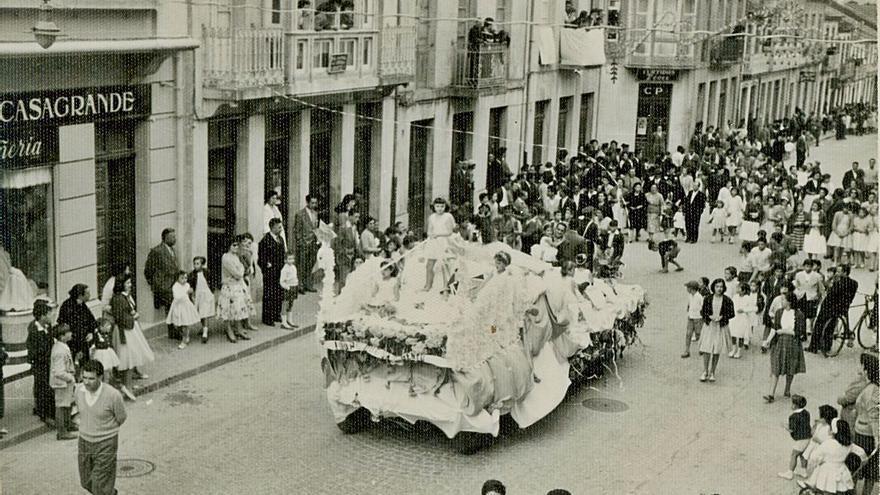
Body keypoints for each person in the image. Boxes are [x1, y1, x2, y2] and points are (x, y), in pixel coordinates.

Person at [75, 360, 126, 495]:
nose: (86, 382)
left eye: (91, 378)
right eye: (84, 377)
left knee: (98, 484)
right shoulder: (79, 391)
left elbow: (121, 417)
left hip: (106, 443)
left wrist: (106, 430)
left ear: (100, 377)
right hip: (84, 441)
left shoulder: (113, 395)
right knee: (86, 481)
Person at [109, 276, 155, 401]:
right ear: (122, 284)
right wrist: (133, 318)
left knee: (130, 358)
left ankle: (127, 385)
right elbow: (120, 317)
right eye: (128, 282)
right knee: (128, 359)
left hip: (130, 330)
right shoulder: (119, 298)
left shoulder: (124, 296)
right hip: (125, 331)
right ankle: (127, 387)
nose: (130, 284)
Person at [762, 292, 807, 403]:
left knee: (790, 367)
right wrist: (767, 340)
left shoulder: (799, 314)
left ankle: (787, 388)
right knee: (776, 367)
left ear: (789, 302)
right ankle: (771, 393)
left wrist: (785, 331)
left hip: (793, 343)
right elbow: (775, 328)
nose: (781, 302)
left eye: (783, 300)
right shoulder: (779, 312)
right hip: (780, 342)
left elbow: (800, 333)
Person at [808, 264, 858, 355]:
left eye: (839, 271)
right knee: (830, 327)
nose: (837, 273)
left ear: (845, 273)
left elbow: (830, 295)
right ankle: (827, 346)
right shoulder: (854, 283)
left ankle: (813, 347)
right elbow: (850, 298)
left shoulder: (837, 283)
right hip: (842, 308)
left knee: (819, 324)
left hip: (830, 307)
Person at [144, 228, 182, 340]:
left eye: (175, 236)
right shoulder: (157, 251)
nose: (174, 239)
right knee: (171, 307)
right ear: (165, 238)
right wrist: (156, 284)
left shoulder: (172, 250)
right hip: (165, 287)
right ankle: (173, 330)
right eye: (172, 237)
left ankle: (175, 330)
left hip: (174, 285)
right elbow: (148, 270)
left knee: (177, 306)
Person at [802, 418, 857, 492]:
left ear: (833, 431)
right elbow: (861, 452)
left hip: (827, 472)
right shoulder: (849, 444)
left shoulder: (828, 443)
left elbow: (814, 457)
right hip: (842, 470)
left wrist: (811, 468)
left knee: (826, 489)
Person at [216, 236, 254, 343]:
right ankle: (229, 331)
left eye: (237, 245)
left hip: (237, 286)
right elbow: (238, 273)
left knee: (238, 308)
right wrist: (240, 270)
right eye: (234, 245)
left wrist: (241, 270)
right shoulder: (226, 257)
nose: (236, 247)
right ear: (228, 246)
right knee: (227, 309)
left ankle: (239, 330)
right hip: (229, 287)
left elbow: (242, 269)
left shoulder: (235, 257)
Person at [852, 353, 879, 495]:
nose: (858, 367)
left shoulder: (872, 391)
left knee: (860, 469)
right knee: (867, 471)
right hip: (862, 432)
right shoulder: (868, 386)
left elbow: (874, 417)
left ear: (866, 370)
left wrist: (877, 439)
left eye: (861, 365)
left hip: (866, 436)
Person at [699, 278, 735, 382]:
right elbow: (703, 311)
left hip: (720, 327)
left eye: (721, 287)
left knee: (716, 350)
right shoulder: (708, 298)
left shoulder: (727, 300)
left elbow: (732, 313)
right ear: (713, 287)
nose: (719, 289)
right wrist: (709, 316)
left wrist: (722, 317)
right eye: (717, 286)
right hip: (709, 327)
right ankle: (705, 371)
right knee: (706, 348)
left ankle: (712, 372)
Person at [26, 299, 55, 426]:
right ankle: (44, 414)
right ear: (42, 316)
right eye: (49, 314)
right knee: (42, 387)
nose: (51, 316)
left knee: (48, 388)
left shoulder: (47, 326)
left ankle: (48, 411)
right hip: (41, 364)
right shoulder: (34, 330)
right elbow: (35, 350)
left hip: (48, 362)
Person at [56, 283, 98, 369]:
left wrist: (91, 332)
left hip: (83, 340)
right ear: (80, 295)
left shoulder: (82, 304)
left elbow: (91, 320)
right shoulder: (67, 307)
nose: (89, 295)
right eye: (87, 293)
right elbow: (69, 327)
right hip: (73, 342)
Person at [50, 324, 77, 440]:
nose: (70, 333)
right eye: (68, 332)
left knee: (67, 404)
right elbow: (59, 372)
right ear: (62, 336)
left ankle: (68, 425)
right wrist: (70, 377)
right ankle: (62, 432)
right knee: (61, 406)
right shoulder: (59, 351)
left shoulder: (62, 346)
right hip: (62, 383)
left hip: (65, 382)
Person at [423, 198, 456, 292]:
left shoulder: (448, 216)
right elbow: (429, 230)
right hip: (433, 242)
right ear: (434, 207)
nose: (440, 208)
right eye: (437, 206)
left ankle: (446, 286)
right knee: (429, 265)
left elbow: (449, 232)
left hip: (444, 241)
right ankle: (428, 285)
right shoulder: (432, 217)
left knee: (444, 265)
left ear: (445, 206)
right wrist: (431, 235)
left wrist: (438, 234)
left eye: (442, 206)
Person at [259, 218, 287, 327]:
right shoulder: (265, 240)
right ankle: (267, 317)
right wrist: (267, 266)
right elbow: (261, 258)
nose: (281, 229)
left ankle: (276, 314)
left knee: (278, 293)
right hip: (270, 273)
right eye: (279, 227)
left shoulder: (280, 239)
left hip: (279, 271)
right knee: (269, 294)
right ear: (273, 227)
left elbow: (283, 254)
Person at [777, 394, 811, 480]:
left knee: (794, 455)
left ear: (795, 405)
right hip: (808, 437)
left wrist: (785, 426)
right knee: (802, 454)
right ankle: (803, 471)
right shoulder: (806, 412)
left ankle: (790, 473)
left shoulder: (793, 417)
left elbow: (792, 429)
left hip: (801, 439)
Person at [293, 194, 320, 293]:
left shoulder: (315, 213)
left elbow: (315, 227)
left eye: (315, 203)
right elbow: (297, 230)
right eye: (312, 202)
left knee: (310, 264)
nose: (314, 204)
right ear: (307, 202)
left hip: (313, 242)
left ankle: (308, 284)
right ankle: (300, 286)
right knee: (301, 265)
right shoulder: (300, 214)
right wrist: (300, 242)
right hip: (304, 243)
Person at [167, 271, 201, 350]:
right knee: (178, 325)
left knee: (185, 323)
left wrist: (191, 296)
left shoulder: (187, 285)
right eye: (182, 278)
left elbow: (189, 296)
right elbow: (177, 297)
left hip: (185, 306)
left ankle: (184, 340)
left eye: (186, 278)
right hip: (177, 307)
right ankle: (185, 335)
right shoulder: (175, 286)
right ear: (177, 278)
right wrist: (186, 292)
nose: (184, 280)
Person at [188, 256, 215, 344]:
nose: (195, 266)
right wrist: (191, 293)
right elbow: (191, 285)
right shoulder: (192, 274)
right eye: (194, 264)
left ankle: (205, 333)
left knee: (205, 313)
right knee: (201, 313)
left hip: (206, 294)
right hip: (198, 296)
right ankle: (204, 327)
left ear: (202, 264)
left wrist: (212, 291)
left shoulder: (207, 272)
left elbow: (212, 281)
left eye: (198, 264)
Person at [803, 404, 838, 470]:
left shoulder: (829, 429)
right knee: (808, 459)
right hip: (813, 445)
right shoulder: (820, 425)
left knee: (817, 463)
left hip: (820, 448)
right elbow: (813, 433)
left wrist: (818, 440)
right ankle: (805, 472)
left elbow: (829, 443)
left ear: (825, 418)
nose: (819, 418)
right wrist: (814, 426)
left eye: (820, 417)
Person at [729, 282, 756, 359]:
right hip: (734, 318)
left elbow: (753, 308)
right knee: (733, 334)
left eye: (739, 288)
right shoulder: (735, 297)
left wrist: (744, 310)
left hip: (743, 319)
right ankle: (734, 349)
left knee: (740, 335)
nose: (737, 289)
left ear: (744, 290)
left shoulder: (748, 298)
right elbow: (731, 305)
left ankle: (739, 350)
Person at [89, 317, 119, 384]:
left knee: (108, 369)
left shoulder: (107, 334)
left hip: (108, 353)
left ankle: (107, 382)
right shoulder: (97, 335)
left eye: (109, 325)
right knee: (103, 369)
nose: (109, 327)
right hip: (101, 354)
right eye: (107, 326)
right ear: (101, 327)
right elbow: (93, 344)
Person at [682, 280, 703, 358]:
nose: (687, 289)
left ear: (692, 289)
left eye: (688, 287)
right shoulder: (690, 296)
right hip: (691, 317)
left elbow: (703, 307)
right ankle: (687, 350)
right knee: (688, 334)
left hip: (698, 318)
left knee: (698, 334)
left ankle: (702, 347)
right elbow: (689, 303)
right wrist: (688, 307)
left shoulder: (699, 297)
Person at [279, 252, 299, 330]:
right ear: (285, 260)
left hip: (294, 287)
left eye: (292, 259)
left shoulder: (293, 267)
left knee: (291, 304)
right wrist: (287, 287)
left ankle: (289, 320)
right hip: (288, 288)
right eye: (289, 259)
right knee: (285, 304)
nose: (291, 260)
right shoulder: (284, 269)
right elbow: (282, 281)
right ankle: (284, 322)